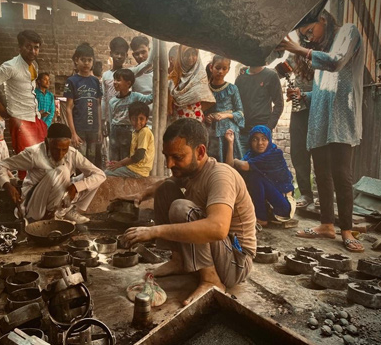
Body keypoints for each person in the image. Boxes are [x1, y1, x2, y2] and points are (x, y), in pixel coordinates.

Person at [121, 118, 255, 305]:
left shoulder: (220, 175)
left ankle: (211, 280)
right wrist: (142, 194)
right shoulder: (192, 172)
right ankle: (179, 261)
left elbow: (218, 229)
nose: (169, 164)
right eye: (166, 156)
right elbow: (164, 184)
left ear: (200, 152)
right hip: (220, 254)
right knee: (165, 188)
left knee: (181, 208)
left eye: (177, 157)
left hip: (236, 263)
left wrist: (153, 231)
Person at [277, 10, 364, 252]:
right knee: (322, 174)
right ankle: (327, 224)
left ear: (323, 20)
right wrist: (303, 96)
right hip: (319, 118)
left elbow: (335, 62)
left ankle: (346, 229)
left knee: (341, 174)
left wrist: (297, 49)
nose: (310, 39)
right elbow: (323, 91)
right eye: (305, 37)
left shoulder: (348, 32)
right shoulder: (321, 52)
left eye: (309, 32)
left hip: (341, 117)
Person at [0, 123, 106, 224]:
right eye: (56, 149)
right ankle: (52, 218)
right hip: (35, 205)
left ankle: (67, 211)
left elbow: (100, 175)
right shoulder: (33, 154)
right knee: (62, 171)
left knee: (93, 178)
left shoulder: (72, 154)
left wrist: (75, 187)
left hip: (58, 198)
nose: (60, 154)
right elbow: (1, 165)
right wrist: (7, 185)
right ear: (47, 141)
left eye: (64, 149)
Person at [0, 30, 48, 179]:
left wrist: (37, 111)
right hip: (20, 120)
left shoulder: (34, 66)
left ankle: (38, 195)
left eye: (36, 47)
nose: (33, 51)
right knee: (25, 162)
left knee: (41, 160)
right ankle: (24, 197)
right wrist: (2, 110)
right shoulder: (10, 66)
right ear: (20, 47)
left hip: (35, 118)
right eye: (28, 46)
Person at [225, 126, 296, 227]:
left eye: (264, 139)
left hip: (282, 206)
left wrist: (235, 161)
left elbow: (244, 166)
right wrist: (230, 143)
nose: (260, 143)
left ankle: (261, 218)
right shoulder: (250, 155)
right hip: (267, 204)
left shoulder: (274, 154)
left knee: (255, 176)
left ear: (269, 140)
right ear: (250, 141)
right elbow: (230, 168)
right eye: (255, 139)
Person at [64, 42, 103, 167]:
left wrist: (100, 130)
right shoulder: (72, 81)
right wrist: (73, 133)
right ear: (76, 60)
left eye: (89, 60)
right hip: (79, 130)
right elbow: (68, 109)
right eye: (83, 60)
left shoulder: (96, 81)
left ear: (93, 62)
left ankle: (90, 186)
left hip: (93, 130)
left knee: (91, 162)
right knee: (79, 162)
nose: (86, 63)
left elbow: (98, 106)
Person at [204, 55, 245, 162]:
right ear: (211, 67)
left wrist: (225, 115)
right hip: (211, 131)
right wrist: (206, 117)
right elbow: (202, 110)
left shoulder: (232, 89)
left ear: (228, 69)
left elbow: (240, 113)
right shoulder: (205, 89)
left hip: (228, 131)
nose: (220, 71)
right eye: (217, 68)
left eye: (224, 68)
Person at [287, 49, 314, 208]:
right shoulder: (294, 55)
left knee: (321, 154)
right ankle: (305, 194)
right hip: (298, 110)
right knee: (298, 153)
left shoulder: (324, 54)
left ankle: (325, 196)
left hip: (318, 109)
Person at [235, 65, 284, 151]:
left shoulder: (271, 76)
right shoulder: (241, 78)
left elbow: (279, 104)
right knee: (241, 163)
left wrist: (268, 128)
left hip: (262, 132)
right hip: (243, 132)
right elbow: (235, 103)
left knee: (262, 163)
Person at [108, 69, 153, 162]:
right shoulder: (112, 101)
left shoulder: (135, 97)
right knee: (114, 156)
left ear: (128, 83)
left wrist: (158, 84)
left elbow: (150, 99)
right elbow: (111, 118)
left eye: (118, 80)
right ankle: (114, 175)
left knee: (126, 156)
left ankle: (124, 175)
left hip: (128, 130)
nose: (115, 82)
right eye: (114, 80)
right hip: (115, 130)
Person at [105, 101, 154, 178]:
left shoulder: (144, 132)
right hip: (135, 168)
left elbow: (138, 156)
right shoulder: (136, 132)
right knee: (111, 168)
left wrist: (120, 164)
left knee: (106, 173)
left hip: (138, 170)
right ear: (130, 119)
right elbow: (132, 155)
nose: (138, 122)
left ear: (147, 119)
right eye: (134, 119)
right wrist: (119, 163)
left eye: (141, 119)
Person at [168, 45, 215, 123]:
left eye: (194, 54)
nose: (190, 58)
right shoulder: (173, 76)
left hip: (196, 119)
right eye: (187, 54)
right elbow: (168, 102)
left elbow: (205, 98)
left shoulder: (200, 75)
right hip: (177, 120)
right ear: (181, 56)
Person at [102, 37, 129, 127]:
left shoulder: (129, 74)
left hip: (125, 121)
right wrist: (103, 120)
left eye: (122, 54)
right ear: (111, 54)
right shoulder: (106, 76)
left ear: (126, 55)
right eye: (116, 53)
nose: (119, 57)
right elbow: (104, 99)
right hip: (110, 120)